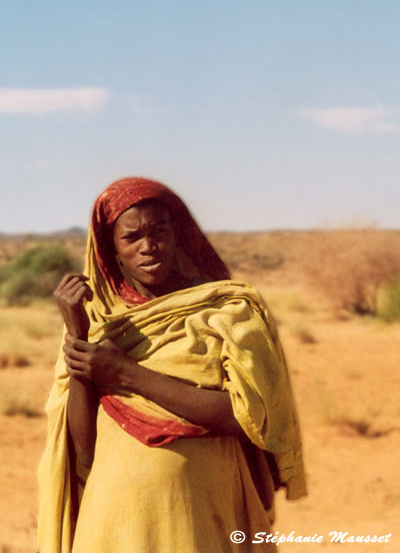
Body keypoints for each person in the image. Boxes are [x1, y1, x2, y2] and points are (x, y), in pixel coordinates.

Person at [37, 177, 306, 553]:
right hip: (116, 522)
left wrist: (126, 374)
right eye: (132, 238)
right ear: (110, 249)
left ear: (177, 236)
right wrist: (77, 336)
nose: (149, 247)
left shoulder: (226, 311)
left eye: (159, 232)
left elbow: (245, 417)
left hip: (204, 516)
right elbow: (84, 451)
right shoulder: (99, 323)